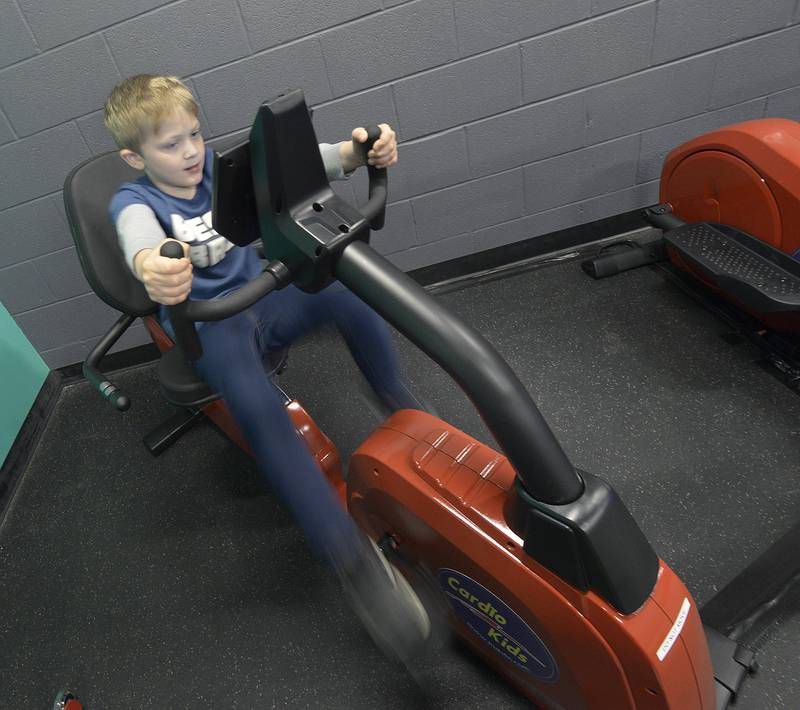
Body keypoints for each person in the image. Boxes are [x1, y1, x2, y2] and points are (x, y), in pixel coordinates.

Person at [103, 75, 429, 666]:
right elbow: (137, 242)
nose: (190, 152)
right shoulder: (136, 202)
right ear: (135, 157)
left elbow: (313, 163)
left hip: (263, 295)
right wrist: (153, 266)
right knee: (259, 415)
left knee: (349, 290)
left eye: (194, 135)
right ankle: (352, 561)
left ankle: (408, 414)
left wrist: (362, 151)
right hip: (210, 326)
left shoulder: (220, 171)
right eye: (170, 145)